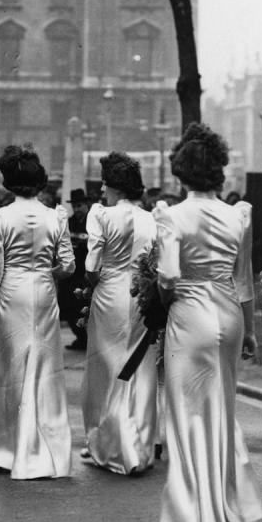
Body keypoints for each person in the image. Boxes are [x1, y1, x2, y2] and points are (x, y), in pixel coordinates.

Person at [156, 123, 262, 522]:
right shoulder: (239, 214)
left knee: (186, 414)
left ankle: (193, 517)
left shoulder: (171, 215)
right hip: (229, 314)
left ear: (180, 174)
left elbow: (167, 276)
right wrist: (251, 330)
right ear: (218, 172)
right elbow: (244, 279)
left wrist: (165, 302)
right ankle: (225, 508)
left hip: (190, 313)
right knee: (222, 411)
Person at [0, 145, 75, 479]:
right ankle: (46, 450)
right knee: (44, 367)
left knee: (9, 368)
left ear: (8, 181)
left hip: (12, 292)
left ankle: (7, 447)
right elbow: (68, 265)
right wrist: (47, 272)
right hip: (44, 292)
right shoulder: (55, 215)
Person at [79, 151, 159, 474]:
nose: (101, 189)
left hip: (110, 292)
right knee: (138, 367)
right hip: (140, 293)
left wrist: (90, 283)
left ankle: (107, 442)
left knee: (106, 367)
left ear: (112, 185)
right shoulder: (150, 218)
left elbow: (91, 266)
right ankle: (139, 443)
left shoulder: (100, 215)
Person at [58, 188, 90, 350]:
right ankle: (79, 337)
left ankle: (86, 338)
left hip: (85, 270)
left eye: (80, 206)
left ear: (86, 205)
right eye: (75, 206)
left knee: (83, 305)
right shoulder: (69, 222)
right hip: (70, 271)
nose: (77, 209)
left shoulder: (92, 222)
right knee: (68, 305)